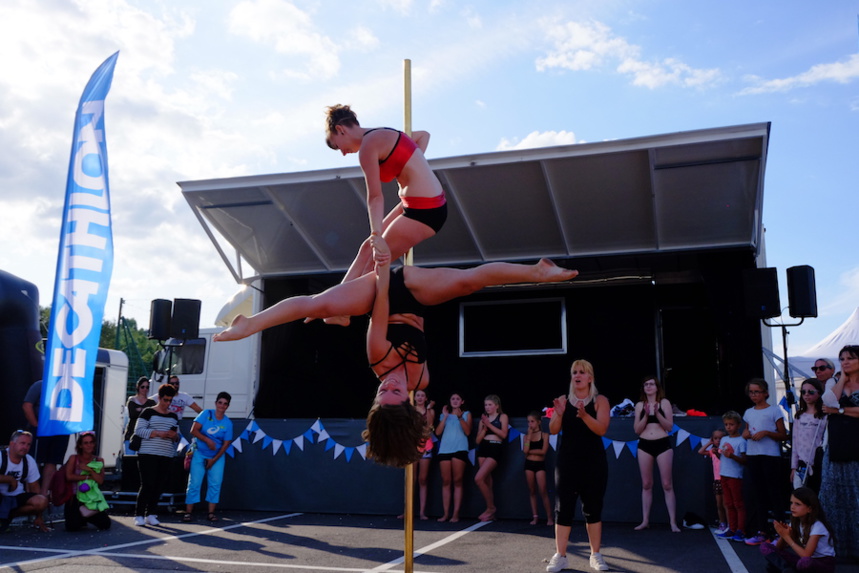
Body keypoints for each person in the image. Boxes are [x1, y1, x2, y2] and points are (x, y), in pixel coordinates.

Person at [216, 234, 576, 467]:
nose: (387, 386)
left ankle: (250, 324)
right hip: (417, 299)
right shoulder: (422, 378)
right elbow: (421, 329)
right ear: (408, 399)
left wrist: (385, 266)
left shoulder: (377, 357)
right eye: (395, 392)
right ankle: (537, 271)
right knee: (470, 282)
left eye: (381, 392)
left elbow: (383, 302)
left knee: (315, 305)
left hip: (382, 291)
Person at [324, 104, 447, 293]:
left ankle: (344, 308)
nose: (342, 152)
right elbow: (423, 135)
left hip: (425, 210)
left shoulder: (368, 147)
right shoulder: (386, 133)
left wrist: (377, 235)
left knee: (373, 263)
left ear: (340, 130)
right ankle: (335, 301)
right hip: (415, 203)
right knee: (367, 248)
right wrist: (415, 167)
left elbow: (375, 197)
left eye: (337, 145)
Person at [546, 359, 611, 573]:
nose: (577, 375)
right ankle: (560, 556)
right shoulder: (564, 400)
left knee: (592, 508)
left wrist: (584, 416)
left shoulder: (600, 400)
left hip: (593, 461)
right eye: (574, 372)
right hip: (567, 461)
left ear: (590, 377)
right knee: (562, 508)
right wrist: (559, 412)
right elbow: (553, 430)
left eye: (582, 372)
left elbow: (602, 429)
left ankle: (596, 555)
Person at [819, 344, 859, 559]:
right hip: (836, 447)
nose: (845, 361)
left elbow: (835, 408)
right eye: (842, 358)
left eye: (850, 358)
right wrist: (842, 378)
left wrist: (841, 410)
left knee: (856, 499)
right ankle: (837, 550)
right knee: (832, 498)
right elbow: (827, 403)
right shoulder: (834, 382)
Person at [742, 378, 789, 546]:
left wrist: (767, 433)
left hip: (770, 456)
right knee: (758, 493)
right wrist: (745, 434)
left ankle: (781, 533)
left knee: (774, 493)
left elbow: (784, 435)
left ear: (766, 393)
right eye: (751, 392)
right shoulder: (748, 412)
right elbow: (746, 431)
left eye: (757, 391)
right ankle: (762, 532)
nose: (754, 395)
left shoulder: (774, 410)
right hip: (753, 455)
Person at [632, 375, 680, 532]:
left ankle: (673, 522)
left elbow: (669, 426)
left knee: (667, 484)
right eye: (646, 384)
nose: (648, 387)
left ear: (657, 387)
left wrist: (656, 413)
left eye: (651, 384)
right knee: (646, 484)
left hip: (662, 444)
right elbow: (637, 430)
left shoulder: (664, 402)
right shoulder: (639, 405)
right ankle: (645, 520)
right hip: (644, 444)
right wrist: (646, 414)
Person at [133, 383, 180, 526]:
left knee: (159, 485)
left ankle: (151, 513)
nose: (167, 403)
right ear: (159, 398)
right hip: (148, 453)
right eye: (165, 400)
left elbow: (178, 436)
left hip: (166, 454)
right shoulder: (148, 412)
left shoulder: (173, 416)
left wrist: (174, 436)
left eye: (170, 400)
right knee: (147, 484)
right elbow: (138, 430)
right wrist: (157, 433)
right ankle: (139, 514)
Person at [760, 487, 836, 573]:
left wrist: (787, 537)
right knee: (765, 547)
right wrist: (783, 534)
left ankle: (786, 569)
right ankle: (786, 569)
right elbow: (778, 549)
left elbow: (806, 555)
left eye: (797, 504)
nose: (792, 507)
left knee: (804, 562)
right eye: (791, 503)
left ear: (809, 509)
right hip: (803, 560)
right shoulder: (796, 522)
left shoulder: (817, 526)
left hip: (822, 564)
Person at [184, 391, 233, 523]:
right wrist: (207, 440)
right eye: (220, 403)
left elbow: (225, 445)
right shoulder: (206, 414)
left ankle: (211, 513)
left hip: (216, 457)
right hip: (200, 452)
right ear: (216, 403)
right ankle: (188, 512)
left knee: (215, 484)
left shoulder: (228, 423)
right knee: (194, 483)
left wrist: (214, 460)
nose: (222, 406)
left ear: (228, 406)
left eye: (225, 404)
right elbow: (193, 430)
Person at [21, 380, 70, 501]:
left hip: (60, 429)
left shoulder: (69, 387)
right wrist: (36, 426)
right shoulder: (40, 384)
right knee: (34, 461)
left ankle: (43, 494)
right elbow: (27, 406)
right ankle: (30, 493)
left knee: (52, 462)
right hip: (41, 428)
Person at [0, 430, 48, 534]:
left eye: (28, 444)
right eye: (22, 443)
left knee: (41, 500)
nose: (25, 447)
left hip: (16, 498)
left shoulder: (29, 460)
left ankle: (7, 515)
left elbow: (35, 487)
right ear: (12, 444)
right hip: (1, 496)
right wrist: (9, 479)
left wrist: (39, 516)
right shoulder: (1, 456)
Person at [435, 392, 471, 523]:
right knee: (446, 481)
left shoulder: (467, 414)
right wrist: (445, 417)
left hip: (459, 449)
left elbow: (467, 431)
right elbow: (438, 432)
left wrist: (460, 418)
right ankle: (445, 514)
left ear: (462, 401)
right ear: (449, 401)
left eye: (457, 399)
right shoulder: (444, 415)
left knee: (457, 481)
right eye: (453, 399)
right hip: (445, 450)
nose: (455, 401)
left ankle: (455, 514)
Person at [63, 432, 111, 532]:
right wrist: (88, 477)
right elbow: (69, 477)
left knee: (105, 524)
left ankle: (86, 517)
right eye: (85, 443)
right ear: (80, 445)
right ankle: (81, 518)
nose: (89, 445)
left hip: (91, 497)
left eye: (91, 442)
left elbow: (100, 480)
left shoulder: (99, 460)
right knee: (72, 527)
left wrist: (89, 470)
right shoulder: (74, 458)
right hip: (75, 497)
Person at [474, 394, 509, 522]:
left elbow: (503, 434)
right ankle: (491, 512)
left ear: (496, 406)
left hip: (495, 447)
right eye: (485, 405)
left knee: (478, 478)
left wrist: (489, 425)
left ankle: (491, 508)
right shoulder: (483, 420)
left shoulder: (502, 416)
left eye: (490, 405)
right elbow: (477, 440)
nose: (487, 407)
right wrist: (484, 428)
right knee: (487, 481)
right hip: (483, 448)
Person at [715, 411, 748, 542]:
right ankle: (732, 528)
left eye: (731, 424)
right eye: (726, 424)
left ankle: (741, 530)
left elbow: (745, 461)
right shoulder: (724, 439)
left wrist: (732, 456)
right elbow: (722, 457)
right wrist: (716, 454)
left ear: (739, 425)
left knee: (738, 503)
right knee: (728, 503)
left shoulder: (741, 441)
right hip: (724, 474)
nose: (728, 427)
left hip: (735, 476)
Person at [791, 378, 827, 493]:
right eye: (803, 392)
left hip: (819, 462)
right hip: (802, 463)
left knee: (817, 494)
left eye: (810, 392)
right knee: (801, 495)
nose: (806, 395)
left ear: (819, 393)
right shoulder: (799, 416)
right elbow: (795, 443)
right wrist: (794, 467)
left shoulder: (824, 416)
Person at [523, 411, 553, 527]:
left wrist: (530, 451)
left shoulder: (545, 435)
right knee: (532, 490)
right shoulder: (527, 436)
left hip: (540, 465)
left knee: (543, 490)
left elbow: (543, 452)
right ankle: (535, 516)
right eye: (528, 422)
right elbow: (525, 451)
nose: (530, 424)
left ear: (538, 422)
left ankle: (549, 517)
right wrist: (529, 438)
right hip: (529, 464)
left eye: (532, 421)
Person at [697, 429, 727, 533]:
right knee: (719, 504)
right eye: (716, 438)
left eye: (720, 438)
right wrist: (709, 443)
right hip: (717, 480)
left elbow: (724, 459)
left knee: (726, 504)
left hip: (726, 480)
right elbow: (700, 451)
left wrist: (718, 451)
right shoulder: (712, 451)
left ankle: (730, 524)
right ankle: (722, 523)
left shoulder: (725, 450)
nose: (718, 440)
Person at [124, 377, 155, 454]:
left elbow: (153, 416)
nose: (145, 389)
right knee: (130, 460)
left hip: (145, 437)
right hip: (131, 434)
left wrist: (139, 409)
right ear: (138, 387)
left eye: (147, 387)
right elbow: (132, 414)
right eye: (143, 387)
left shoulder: (151, 402)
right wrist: (145, 410)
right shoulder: (132, 400)